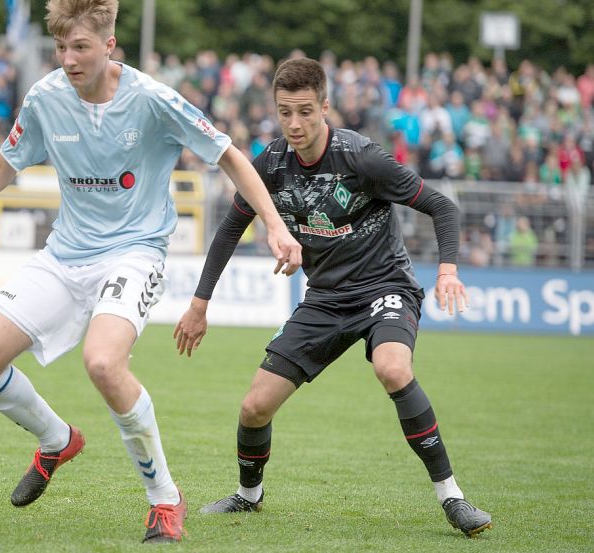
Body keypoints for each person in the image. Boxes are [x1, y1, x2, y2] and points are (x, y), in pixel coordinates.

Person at [0, 0, 301, 543]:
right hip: (65, 254)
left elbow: (230, 154)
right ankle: (57, 441)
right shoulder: (46, 98)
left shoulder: (151, 99)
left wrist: (275, 225)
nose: (68, 59)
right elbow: (3, 165)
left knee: (102, 362)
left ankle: (165, 499)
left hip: (135, 252)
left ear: (108, 46)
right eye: (61, 48)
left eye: (80, 47)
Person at [174, 58, 492, 539]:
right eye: (285, 113)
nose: (295, 124)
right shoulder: (271, 163)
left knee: (392, 368)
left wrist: (448, 269)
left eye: (305, 111)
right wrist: (199, 304)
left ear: (325, 106)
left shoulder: (362, 158)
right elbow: (229, 229)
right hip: (325, 299)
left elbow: (440, 206)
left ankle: (453, 498)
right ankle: (248, 497)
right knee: (254, 407)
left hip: (385, 287)